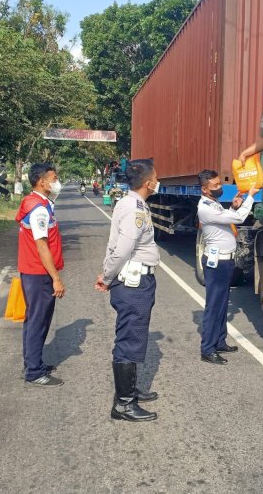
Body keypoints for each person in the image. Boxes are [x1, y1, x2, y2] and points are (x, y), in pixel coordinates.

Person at [95, 158, 161, 422]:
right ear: (148, 183)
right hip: (133, 283)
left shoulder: (131, 202)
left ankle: (129, 391)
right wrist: (107, 276)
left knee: (134, 336)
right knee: (129, 340)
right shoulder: (134, 208)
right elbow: (122, 249)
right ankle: (124, 404)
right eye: (156, 178)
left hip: (135, 281)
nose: (158, 181)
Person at [196, 170, 258, 365]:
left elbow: (225, 218)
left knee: (222, 304)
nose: (219, 188)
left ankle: (220, 341)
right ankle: (207, 348)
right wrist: (250, 197)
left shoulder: (213, 204)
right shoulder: (205, 207)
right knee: (214, 306)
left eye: (219, 184)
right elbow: (238, 219)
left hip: (225, 261)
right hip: (217, 263)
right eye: (215, 186)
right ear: (205, 189)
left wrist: (233, 206)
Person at [15, 163, 65, 387]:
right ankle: (34, 371)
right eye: (54, 178)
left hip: (33, 271)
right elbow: (42, 245)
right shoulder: (39, 209)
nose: (57, 182)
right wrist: (55, 278)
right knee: (38, 320)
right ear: (42, 182)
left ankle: (33, 362)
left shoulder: (39, 203)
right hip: (38, 272)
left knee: (35, 319)